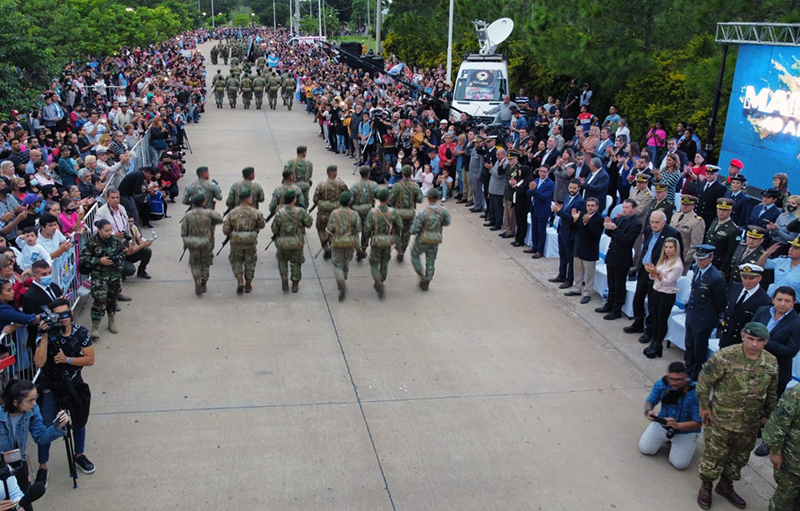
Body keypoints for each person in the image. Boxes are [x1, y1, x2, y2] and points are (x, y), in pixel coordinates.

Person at [696, 322, 778, 510]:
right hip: (721, 419)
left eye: (759, 340)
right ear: (742, 336)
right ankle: (706, 485)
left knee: (738, 458)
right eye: (750, 339)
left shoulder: (771, 362)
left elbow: (771, 392)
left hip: (749, 423)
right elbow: (704, 379)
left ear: (766, 341)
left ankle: (725, 486)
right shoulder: (726, 356)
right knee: (714, 455)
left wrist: (768, 416)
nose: (754, 344)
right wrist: (704, 406)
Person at [33, 298, 96, 477]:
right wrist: (45, 335)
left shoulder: (81, 332)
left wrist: (67, 359)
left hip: (74, 384)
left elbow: (90, 359)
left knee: (79, 420)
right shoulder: (44, 335)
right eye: (58, 315)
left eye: (66, 313)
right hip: (51, 387)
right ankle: (42, 466)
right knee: (46, 425)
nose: (63, 318)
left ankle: (79, 454)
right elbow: (39, 362)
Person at [751, 287, 800, 457]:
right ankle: (754, 429)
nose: (782, 304)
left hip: (777, 372)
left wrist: (765, 342)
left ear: (794, 303)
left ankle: (768, 442)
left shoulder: (796, 322)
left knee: (772, 409)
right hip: (754, 365)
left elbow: (791, 350)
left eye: (787, 301)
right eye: (780, 299)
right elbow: (750, 330)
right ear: (773, 299)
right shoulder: (762, 311)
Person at [0, 378, 68, 491]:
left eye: (35, 398)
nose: (34, 403)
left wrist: (58, 426)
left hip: (18, 463)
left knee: (25, 501)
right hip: (2, 466)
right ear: (16, 402)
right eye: (30, 400)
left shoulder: (32, 410)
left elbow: (40, 437)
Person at [625, 211, 682, 342]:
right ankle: (638, 323)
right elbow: (646, 248)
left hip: (658, 273)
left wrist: (659, 271)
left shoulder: (673, 234)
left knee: (652, 303)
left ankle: (649, 331)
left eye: (657, 222)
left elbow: (677, 254)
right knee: (638, 297)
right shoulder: (649, 230)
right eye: (652, 222)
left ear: (664, 222)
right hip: (645, 269)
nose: (654, 225)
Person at [639, 361, 701, 469]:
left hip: (685, 430)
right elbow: (650, 401)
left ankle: (690, 442)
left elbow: (698, 422)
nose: (674, 383)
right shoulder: (662, 384)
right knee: (645, 449)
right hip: (663, 424)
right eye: (671, 379)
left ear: (686, 377)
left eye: (678, 380)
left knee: (679, 464)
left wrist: (678, 426)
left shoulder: (696, 392)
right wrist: (648, 411)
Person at [683, 244, 727, 381]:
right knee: (689, 344)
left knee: (700, 348)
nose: (699, 262)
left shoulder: (716, 278)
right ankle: (689, 367)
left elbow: (721, 302)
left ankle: (697, 372)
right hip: (692, 314)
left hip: (704, 318)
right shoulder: (696, 269)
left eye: (703, 259)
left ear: (711, 258)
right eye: (698, 258)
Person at [596, 199, 641, 320]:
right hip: (612, 254)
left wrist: (615, 228)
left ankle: (617, 309)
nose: (624, 209)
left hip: (622, 257)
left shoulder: (636, 223)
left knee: (619, 285)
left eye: (627, 207)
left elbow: (627, 239)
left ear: (634, 209)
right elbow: (611, 235)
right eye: (624, 207)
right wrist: (608, 227)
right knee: (611, 282)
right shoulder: (621, 218)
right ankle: (609, 304)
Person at [81, 218, 125, 339]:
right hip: (99, 275)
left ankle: (111, 321)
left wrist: (117, 258)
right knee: (99, 300)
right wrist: (99, 261)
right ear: (99, 230)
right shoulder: (91, 242)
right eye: (106, 230)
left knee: (112, 299)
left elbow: (122, 251)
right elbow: (83, 259)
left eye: (110, 230)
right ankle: (95, 326)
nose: (109, 233)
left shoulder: (115, 240)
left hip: (114, 274)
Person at [642, 237, 684, 358]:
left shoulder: (677, 265)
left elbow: (668, 282)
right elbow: (654, 277)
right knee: (655, 318)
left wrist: (657, 273)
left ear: (675, 249)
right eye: (666, 247)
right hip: (657, 291)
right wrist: (652, 272)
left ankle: (658, 344)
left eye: (671, 247)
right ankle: (653, 342)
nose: (668, 250)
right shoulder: (663, 260)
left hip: (667, 295)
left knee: (661, 320)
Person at [762, 385, 800, 510]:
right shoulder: (796, 394)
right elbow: (776, 425)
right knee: (784, 501)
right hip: (793, 463)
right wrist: (775, 451)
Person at [718, 264, 772, 349]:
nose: (747, 281)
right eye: (744, 278)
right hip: (726, 337)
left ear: (759, 278)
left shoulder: (764, 300)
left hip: (743, 343)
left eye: (751, 278)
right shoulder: (735, 287)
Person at [222, 189, 265, 295]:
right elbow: (262, 225)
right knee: (250, 261)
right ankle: (248, 284)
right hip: (250, 240)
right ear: (249, 199)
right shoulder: (256, 212)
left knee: (236, 261)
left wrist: (232, 234)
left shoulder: (232, 212)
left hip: (236, 240)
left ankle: (240, 280)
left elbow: (225, 229)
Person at [364, 188, 403, 299]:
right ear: (388, 198)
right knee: (385, 261)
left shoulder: (372, 212)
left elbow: (367, 228)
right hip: (388, 240)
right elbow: (400, 225)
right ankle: (382, 278)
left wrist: (364, 244)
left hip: (376, 241)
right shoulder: (393, 212)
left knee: (374, 262)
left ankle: (377, 279)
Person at [181, 194, 223, 295]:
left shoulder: (188, 215)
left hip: (192, 243)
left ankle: (197, 280)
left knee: (195, 264)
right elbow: (220, 219)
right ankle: (203, 283)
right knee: (205, 264)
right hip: (206, 242)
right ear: (203, 202)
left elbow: (183, 232)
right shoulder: (209, 213)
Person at [271, 190, 313, 294]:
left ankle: (284, 278)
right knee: (296, 263)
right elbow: (308, 224)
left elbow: (274, 228)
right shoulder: (301, 211)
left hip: (283, 242)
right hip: (296, 242)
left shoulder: (279, 213)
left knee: (282, 261)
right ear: (294, 200)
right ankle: (295, 285)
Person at [564, 197, 604, 304]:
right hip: (579, 247)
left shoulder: (599, 219)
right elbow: (573, 229)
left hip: (590, 250)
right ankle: (576, 289)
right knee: (577, 271)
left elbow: (594, 234)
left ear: (597, 207)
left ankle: (587, 293)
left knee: (589, 274)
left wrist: (587, 224)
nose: (590, 208)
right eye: (588, 205)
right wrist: (575, 219)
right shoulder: (582, 215)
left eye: (592, 206)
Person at [410, 189, 451, 291]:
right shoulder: (443, 211)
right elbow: (447, 223)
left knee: (415, 255)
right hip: (435, 239)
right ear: (437, 198)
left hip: (423, 239)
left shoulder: (423, 212)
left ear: (428, 199)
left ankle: (421, 274)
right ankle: (428, 278)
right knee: (431, 260)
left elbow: (415, 229)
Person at [326, 191, 361, 301]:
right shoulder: (354, 214)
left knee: (337, 264)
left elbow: (329, 228)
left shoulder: (334, 213)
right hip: (349, 241)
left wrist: (328, 240)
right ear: (349, 201)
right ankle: (343, 278)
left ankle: (340, 280)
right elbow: (358, 228)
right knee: (346, 262)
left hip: (337, 241)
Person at [550, 179, 585, 289]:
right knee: (562, 254)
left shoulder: (580, 202)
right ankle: (561, 274)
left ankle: (570, 279)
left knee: (570, 257)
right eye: (570, 188)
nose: (572, 190)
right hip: (562, 229)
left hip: (570, 232)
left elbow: (573, 219)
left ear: (579, 188)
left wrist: (559, 211)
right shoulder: (567, 197)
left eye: (574, 188)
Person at [313, 165, 349, 261]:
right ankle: (332, 246)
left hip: (323, 212)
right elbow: (347, 195)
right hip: (336, 212)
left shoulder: (321, 185)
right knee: (335, 230)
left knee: (321, 229)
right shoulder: (341, 184)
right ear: (335, 173)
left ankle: (326, 247)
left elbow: (315, 199)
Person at [388, 165, 423, 262]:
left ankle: (398, 247)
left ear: (402, 174)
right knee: (406, 233)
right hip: (410, 213)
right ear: (411, 174)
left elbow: (390, 200)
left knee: (395, 232)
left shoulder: (397, 186)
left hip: (398, 212)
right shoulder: (415, 186)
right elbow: (420, 199)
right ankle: (403, 249)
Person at [704, 198, 739, 277]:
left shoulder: (733, 230)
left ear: (730, 211)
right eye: (719, 209)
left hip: (718, 264)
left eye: (725, 210)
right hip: (706, 260)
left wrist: (723, 269)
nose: (721, 212)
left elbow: (731, 252)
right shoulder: (714, 222)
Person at [350, 166, 379, 261]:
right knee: (367, 230)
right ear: (369, 174)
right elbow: (379, 195)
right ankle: (363, 249)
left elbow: (350, 200)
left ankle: (357, 248)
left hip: (356, 210)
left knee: (355, 230)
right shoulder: (373, 185)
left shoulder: (355, 186)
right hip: (368, 210)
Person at [671, 195, 705, 274]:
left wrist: (687, 258)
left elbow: (696, 242)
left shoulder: (697, 221)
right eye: (683, 204)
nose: (684, 207)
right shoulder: (676, 215)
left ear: (693, 206)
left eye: (687, 205)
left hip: (682, 255)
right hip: (669, 252)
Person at [525, 166, 554, 259]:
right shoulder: (536, 180)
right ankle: (534, 246)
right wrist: (530, 189)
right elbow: (528, 193)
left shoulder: (550, 183)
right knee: (534, 229)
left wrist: (534, 190)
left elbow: (545, 197)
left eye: (544, 172)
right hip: (534, 208)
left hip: (543, 210)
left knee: (541, 231)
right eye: (541, 171)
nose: (542, 173)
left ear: (548, 173)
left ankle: (540, 250)